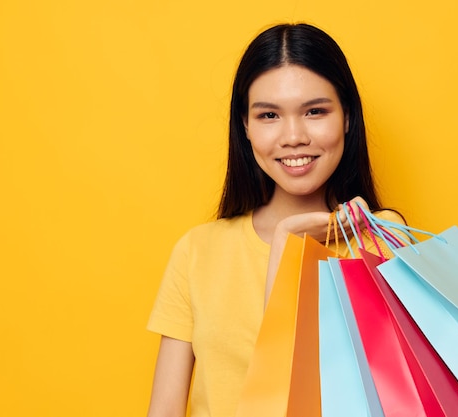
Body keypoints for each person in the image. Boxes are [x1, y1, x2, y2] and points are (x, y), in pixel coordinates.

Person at [146, 22, 404, 417]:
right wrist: (286, 238)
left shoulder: (384, 243)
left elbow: (397, 400)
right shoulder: (198, 252)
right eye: (269, 115)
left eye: (315, 111)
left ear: (348, 117)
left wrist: (290, 243)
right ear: (245, 127)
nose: (294, 136)